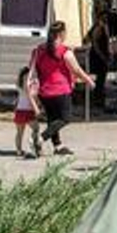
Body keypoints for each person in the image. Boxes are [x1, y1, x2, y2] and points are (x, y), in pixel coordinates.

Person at [28, 21, 94, 157]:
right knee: (65, 118)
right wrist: (89, 80)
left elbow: (32, 67)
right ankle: (40, 138)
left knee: (53, 119)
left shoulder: (39, 50)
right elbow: (76, 69)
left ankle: (58, 146)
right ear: (61, 34)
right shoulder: (64, 51)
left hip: (44, 92)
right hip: (61, 90)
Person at [86, 11, 113, 108]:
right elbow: (95, 45)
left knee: (101, 80)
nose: (105, 20)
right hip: (98, 57)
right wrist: (103, 57)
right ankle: (97, 101)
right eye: (104, 18)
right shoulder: (98, 28)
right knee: (99, 80)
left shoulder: (103, 27)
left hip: (100, 56)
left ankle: (98, 100)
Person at [13, 67, 41, 158]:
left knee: (19, 133)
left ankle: (18, 150)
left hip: (19, 110)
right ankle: (32, 141)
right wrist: (36, 108)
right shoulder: (28, 87)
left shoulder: (19, 86)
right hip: (28, 111)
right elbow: (31, 97)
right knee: (36, 128)